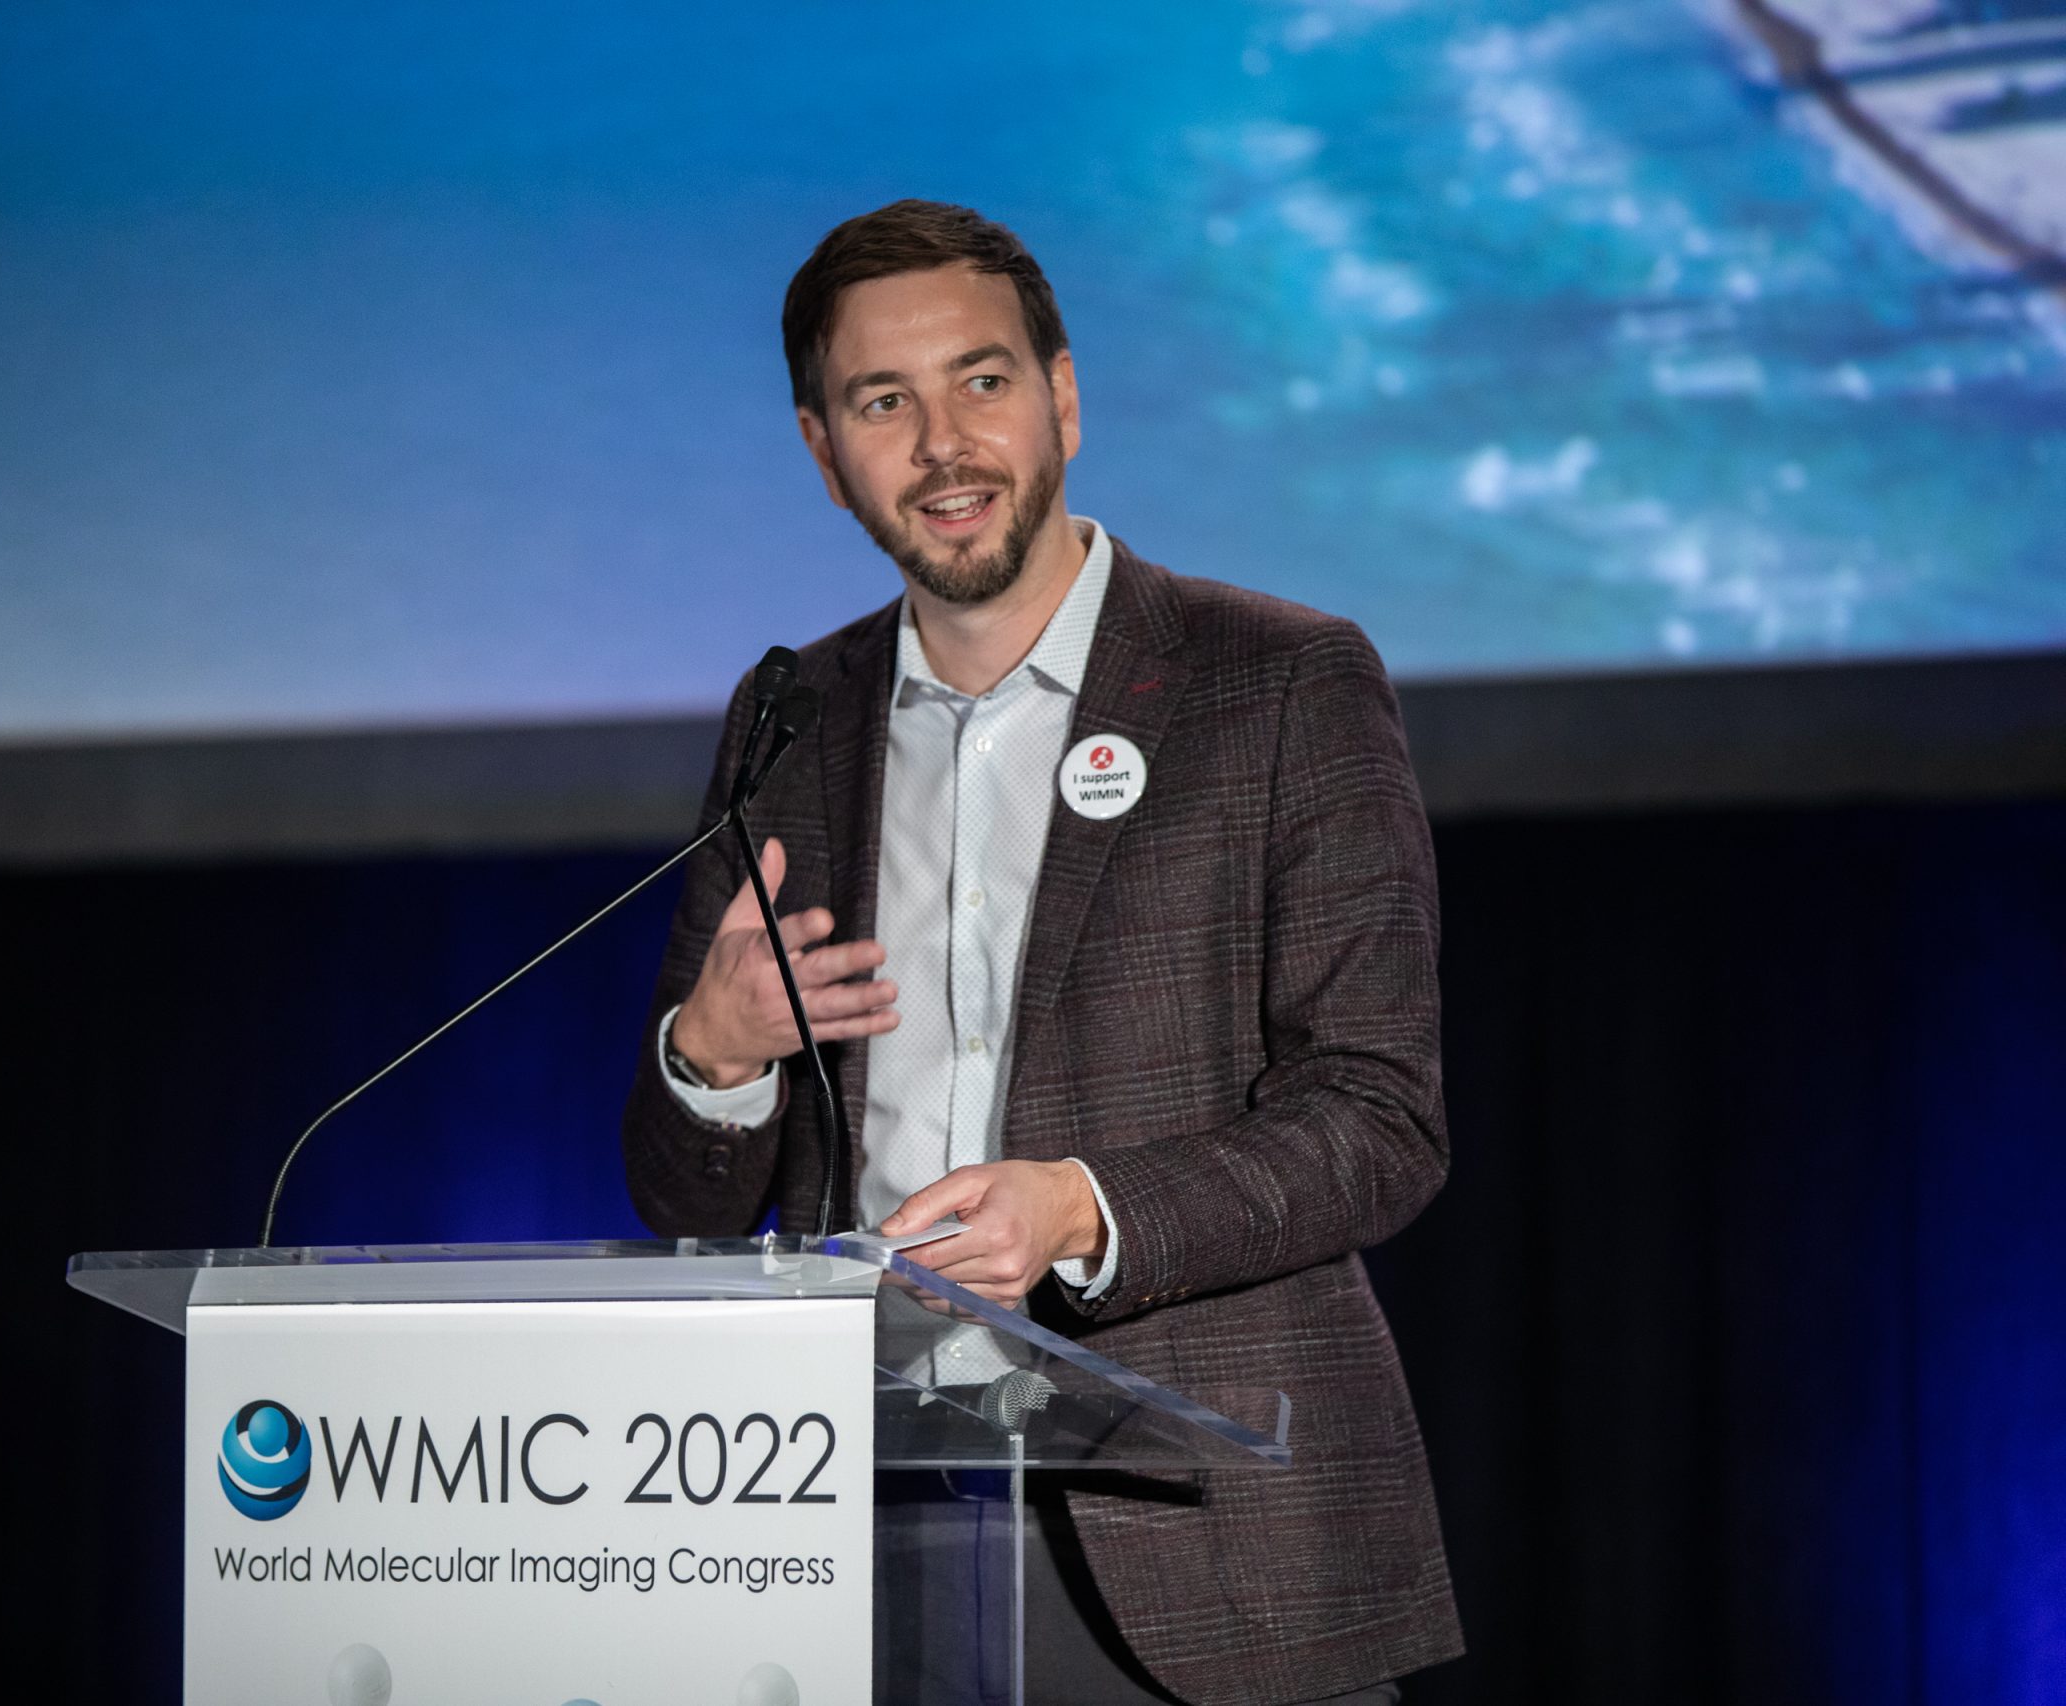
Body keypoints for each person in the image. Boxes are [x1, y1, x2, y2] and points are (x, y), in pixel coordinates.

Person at [621, 200, 1461, 1705]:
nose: (943, 444)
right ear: (823, 450)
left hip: (1212, 1544)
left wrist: (1083, 1208)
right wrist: (716, 1057)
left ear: (1063, 396)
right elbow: (686, 1198)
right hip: (844, 1541)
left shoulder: (1281, 682)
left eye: (983, 381)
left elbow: (1381, 1119)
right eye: (884, 402)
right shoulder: (790, 720)